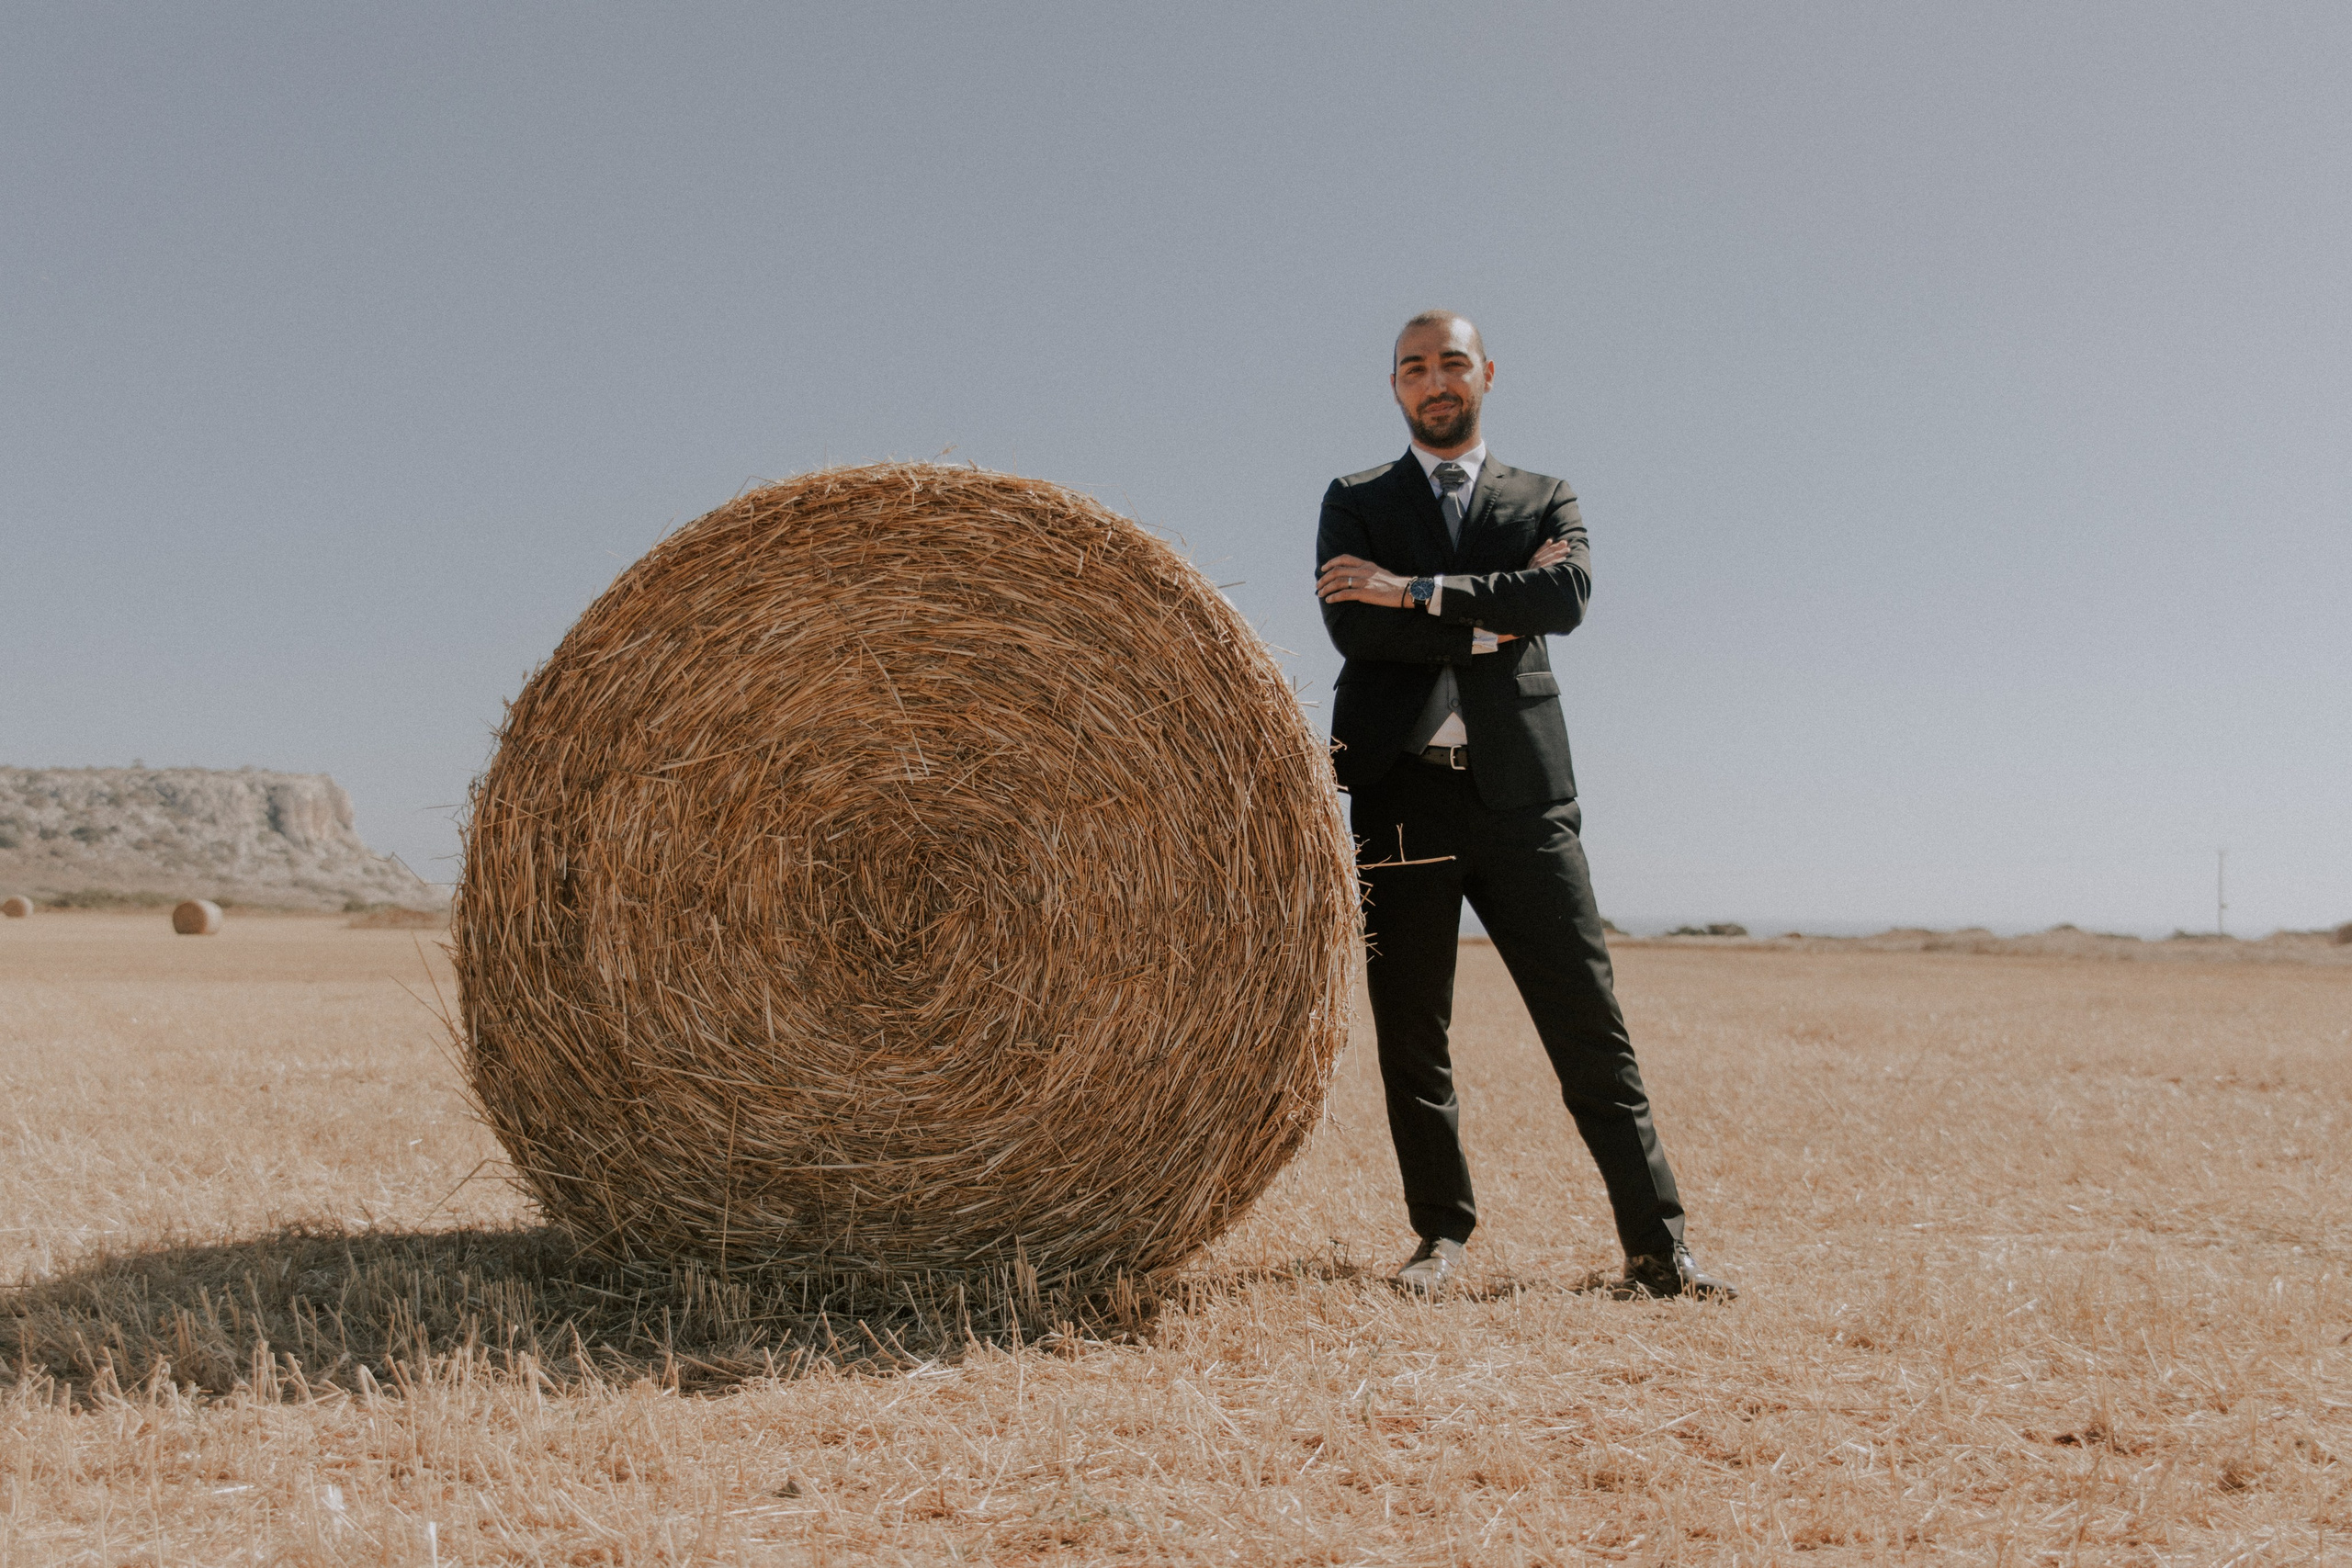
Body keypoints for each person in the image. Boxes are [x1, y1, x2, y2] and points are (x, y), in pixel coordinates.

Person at [1314, 309, 1735, 1300]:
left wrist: (1411, 591)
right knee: (1412, 1031)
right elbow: (1352, 632)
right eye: (1413, 368)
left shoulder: (1545, 495)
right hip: (1400, 794)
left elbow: (1564, 599)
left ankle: (1659, 1249)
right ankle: (1439, 1236)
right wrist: (1487, 617)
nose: (1434, 381)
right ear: (1395, 386)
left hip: (1526, 803)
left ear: (1487, 374)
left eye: (1451, 363)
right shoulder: (1356, 498)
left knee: (1589, 1022)